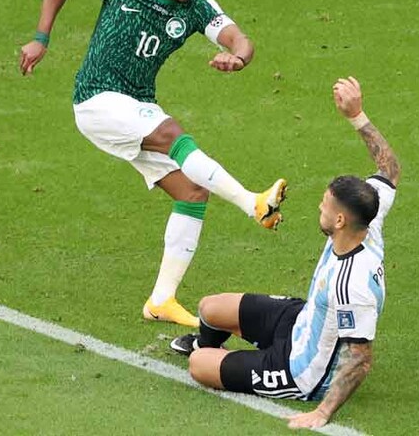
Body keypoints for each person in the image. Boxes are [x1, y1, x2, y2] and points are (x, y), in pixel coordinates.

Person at [17, 0, 288, 328]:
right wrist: (41, 38)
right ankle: (254, 204)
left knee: (192, 191)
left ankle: (161, 300)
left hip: (136, 105)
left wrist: (239, 58)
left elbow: (238, 38)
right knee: (172, 134)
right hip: (97, 99)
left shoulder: (195, 5)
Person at [169, 77, 400, 430]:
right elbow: (390, 169)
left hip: (300, 367)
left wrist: (322, 413)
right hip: (302, 318)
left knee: (199, 367)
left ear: (340, 220)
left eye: (324, 206)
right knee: (210, 308)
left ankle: (243, 363)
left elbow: (360, 358)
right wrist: (357, 116)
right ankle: (212, 347)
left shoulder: (352, 287)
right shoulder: (370, 214)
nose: (318, 209)